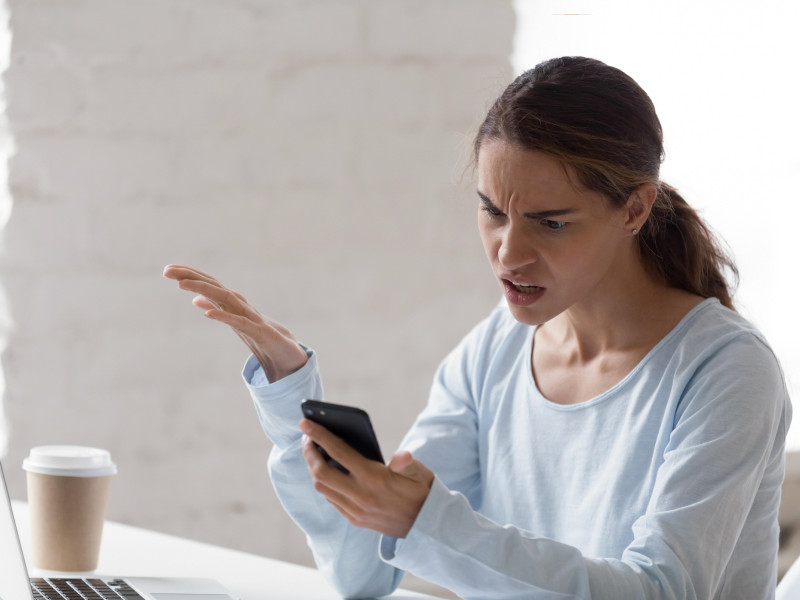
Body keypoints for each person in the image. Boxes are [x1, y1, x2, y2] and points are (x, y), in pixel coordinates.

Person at [164, 56, 792, 599]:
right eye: (492, 212)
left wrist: (428, 522)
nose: (507, 253)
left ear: (635, 208)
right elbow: (360, 572)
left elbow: (660, 591)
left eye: (550, 222)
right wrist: (289, 392)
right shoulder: (499, 346)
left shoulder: (726, 372)